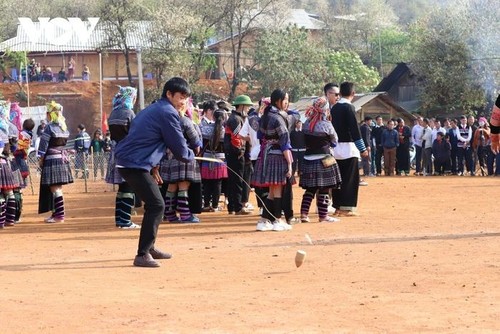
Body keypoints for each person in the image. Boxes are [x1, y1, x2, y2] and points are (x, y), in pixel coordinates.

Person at [114, 77, 195, 268]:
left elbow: (151, 139)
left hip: (134, 161)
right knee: (157, 205)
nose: (183, 101)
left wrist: (154, 166)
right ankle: (142, 254)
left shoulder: (155, 109)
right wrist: (191, 155)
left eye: (185, 98)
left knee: (155, 204)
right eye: (180, 96)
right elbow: (179, 147)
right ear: (169, 94)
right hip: (132, 163)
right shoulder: (167, 112)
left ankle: (149, 248)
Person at [252, 89, 293, 231]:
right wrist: (289, 163)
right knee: (277, 190)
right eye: (286, 99)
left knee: (271, 190)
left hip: (265, 155)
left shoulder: (266, 116)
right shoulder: (278, 118)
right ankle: (277, 220)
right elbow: (285, 143)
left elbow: (259, 135)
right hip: (277, 155)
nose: (287, 102)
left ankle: (264, 220)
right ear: (278, 101)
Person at [299, 97, 342, 223]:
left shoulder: (306, 123)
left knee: (310, 189)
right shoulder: (327, 124)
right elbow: (334, 141)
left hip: (308, 159)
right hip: (324, 159)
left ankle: (303, 214)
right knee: (325, 188)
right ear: (325, 109)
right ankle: (323, 216)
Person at [160, 100, 202, 223]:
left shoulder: (167, 122)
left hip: (169, 157)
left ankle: (169, 214)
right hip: (184, 156)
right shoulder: (186, 121)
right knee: (184, 185)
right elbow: (195, 141)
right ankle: (185, 214)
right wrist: (196, 151)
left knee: (172, 186)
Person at [330, 82, 368, 216]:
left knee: (337, 180)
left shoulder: (334, 108)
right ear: (353, 94)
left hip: (335, 148)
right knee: (350, 179)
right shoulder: (349, 108)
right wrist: (362, 148)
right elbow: (355, 130)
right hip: (348, 149)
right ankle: (348, 207)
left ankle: (337, 207)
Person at [105, 86, 140, 229]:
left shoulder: (113, 113)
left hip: (116, 152)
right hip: (128, 153)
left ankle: (119, 220)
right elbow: (136, 134)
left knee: (121, 188)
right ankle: (125, 221)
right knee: (128, 187)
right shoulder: (129, 113)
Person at [37, 101, 74, 223]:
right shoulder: (64, 127)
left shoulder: (49, 127)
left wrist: (40, 158)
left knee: (55, 189)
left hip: (51, 159)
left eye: (47, 113)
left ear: (51, 114)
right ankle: (56, 214)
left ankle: (59, 216)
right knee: (58, 188)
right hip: (61, 159)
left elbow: (43, 144)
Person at [224, 95, 253, 215]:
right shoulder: (236, 119)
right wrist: (240, 150)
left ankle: (232, 206)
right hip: (236, 154)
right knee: (237, 181)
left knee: (233, 180)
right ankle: (238, 207)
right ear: (241, 106)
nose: (247, 109)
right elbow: (236, 137)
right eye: (247, 106)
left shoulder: (235, 117)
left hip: (231, 154)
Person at [200, 108, 227, 212]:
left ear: (214, 117)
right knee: (217, 183)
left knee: (207, 183)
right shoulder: (224, 131)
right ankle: (215, 206)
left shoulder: (205, 128)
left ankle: (206, 204)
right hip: (220, 159)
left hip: (207, 157)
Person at [0, 101, 19, 228]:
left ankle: (1, 222)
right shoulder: (10, 127)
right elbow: (15, 146)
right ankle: (10, 220)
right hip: (7, 162)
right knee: (9, 192)